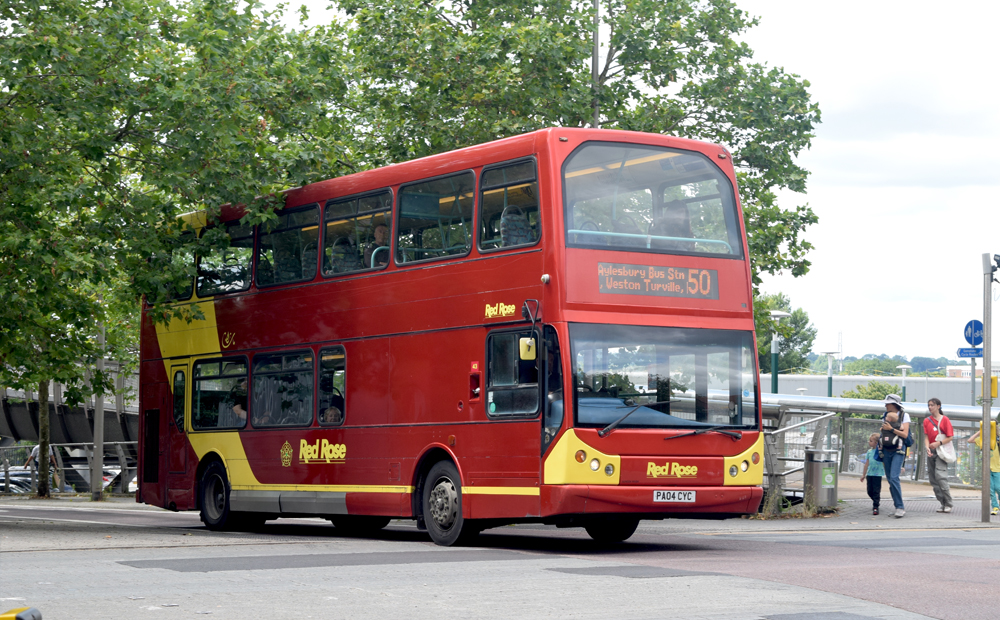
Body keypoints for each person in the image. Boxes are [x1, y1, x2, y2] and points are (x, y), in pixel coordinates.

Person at [879, 394, 910, 518]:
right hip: (886, 448)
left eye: (888, 403)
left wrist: (891, 429)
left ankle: (900, 507)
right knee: (889, 478)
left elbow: (905, 434)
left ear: (894, 405)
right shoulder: (885, 415)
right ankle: (897, 505)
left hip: (898, 449)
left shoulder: (904, 416)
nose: (886, 406)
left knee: (893, 477)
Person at [922, 397, 954, 513]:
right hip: (932, 449)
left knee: (940, 476)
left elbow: (950, 437)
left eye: (932, 405)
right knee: (933, 478)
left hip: (941, 449)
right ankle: (942, 503)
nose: (930, 407)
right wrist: (927, 447)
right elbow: (926, 436)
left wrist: (938, 443)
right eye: (929, 405)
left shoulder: (944, 419)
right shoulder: (927, 421)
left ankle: (948, 503)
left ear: (938, 406)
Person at [968, 420, 1000, 516]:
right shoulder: (983, 440)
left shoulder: (997, 439)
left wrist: (996, 430)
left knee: (998, 487)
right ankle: (995, 506)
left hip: (998, 468)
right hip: (987, 468)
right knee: (990, 489)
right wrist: (980, 431)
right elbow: (970, 440)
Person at [859, 432, 885, 515]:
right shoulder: (869, 452)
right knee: (869, 491)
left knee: (876, 491)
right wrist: (863, 475)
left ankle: (875, 507)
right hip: (870, 474)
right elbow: (866, 464)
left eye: (871, 441)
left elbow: (884, 462)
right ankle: (876, 501)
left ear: (876, 443)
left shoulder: (881, 451)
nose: (869, 442)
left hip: (878, 475)